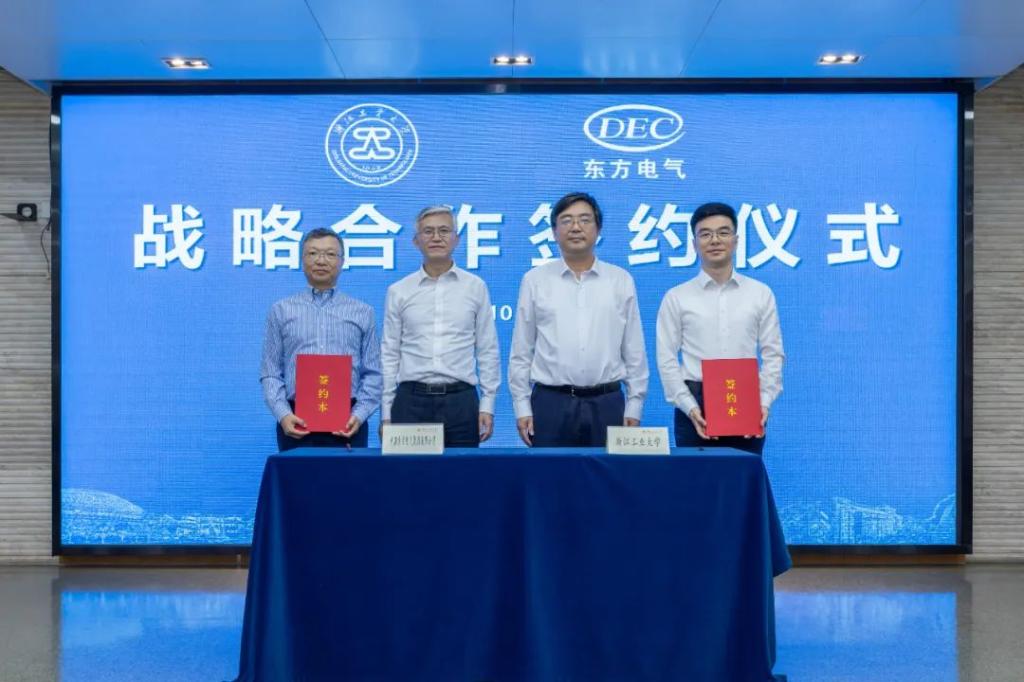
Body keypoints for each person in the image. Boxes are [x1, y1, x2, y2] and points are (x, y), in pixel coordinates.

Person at [508, 191, 649, 447]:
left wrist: (635, 404)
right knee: (550, 473)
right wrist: (521, 406)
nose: (575, 227)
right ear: (554, 232)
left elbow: (634, 349)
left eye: (584, 220)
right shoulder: (535, 280)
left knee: (608, 474)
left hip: (607, 403)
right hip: (551, 403)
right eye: (566, 220)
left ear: (598, 229)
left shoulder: (620, 280)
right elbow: (522, 350)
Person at [655, 202, 784, 454]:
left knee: (742, 476)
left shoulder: (760, 293)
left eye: (723, 232)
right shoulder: (677, 297)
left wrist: (763, 402)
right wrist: (688, 406)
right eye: (705, 234)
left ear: (736, 241)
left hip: (746, 401)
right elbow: (666, 358)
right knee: (696, 478)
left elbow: (773, 353)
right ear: (694, 244)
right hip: (695, 403)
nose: (715, 240)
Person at [380, 205, 500, 447]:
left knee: (462, 471)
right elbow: (390, 354)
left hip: (461, 401)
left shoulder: (475, 287)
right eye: (428, 231)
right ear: (416, 241)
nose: (436, 237)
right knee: (407, 471)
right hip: (410, 402)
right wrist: (386, 412)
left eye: (444, 230)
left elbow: (487, 349)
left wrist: (487, 404)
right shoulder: (399, 291)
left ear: (456, 239)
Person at [260, 227, 382, 450]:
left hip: (348, 421)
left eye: (330, 254)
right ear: (302, 260)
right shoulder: (281, 310)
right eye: (313, 253)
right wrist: (283, 414)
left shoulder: (363, 312)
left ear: (342, 261)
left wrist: (360, 414)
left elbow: (374, 372)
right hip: (295, 420)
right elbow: (270, 371)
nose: (321, 260)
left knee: (348, 475)